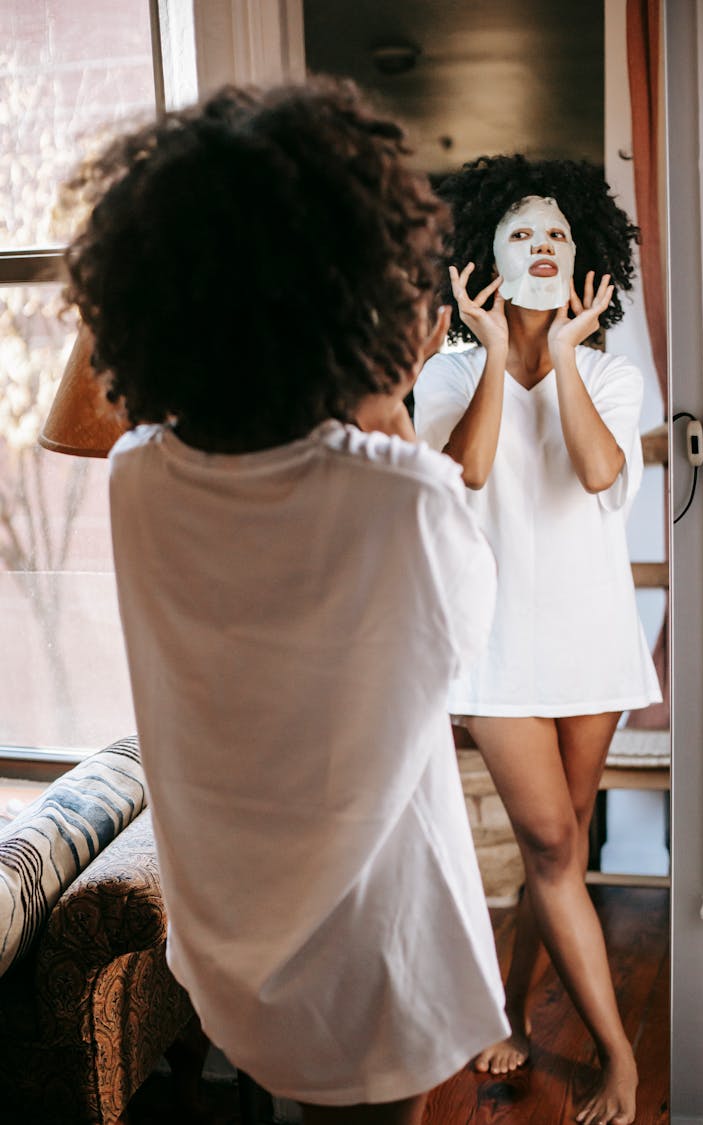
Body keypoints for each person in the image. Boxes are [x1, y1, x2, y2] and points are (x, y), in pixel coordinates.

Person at [62, 80, 510, 1125]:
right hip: (372, 950)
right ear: (357, 296)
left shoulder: (136, 475)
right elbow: (459, 649)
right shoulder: (404, 499)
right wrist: (390, 394)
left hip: (230, 939)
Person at [414, 154, 662, 1125]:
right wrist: (484, 350)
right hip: (495, 650)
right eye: (522, 233)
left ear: (584, 258)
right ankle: (620, 1060)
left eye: (557, 234)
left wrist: (560, 354)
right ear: (486, 255)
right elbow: (469, 472)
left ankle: (512, 1013)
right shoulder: (449, 372)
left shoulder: (609, 370)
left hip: (594, 643)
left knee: (550, 852)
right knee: (557, 846)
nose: (542, 246)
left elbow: (600, 475)